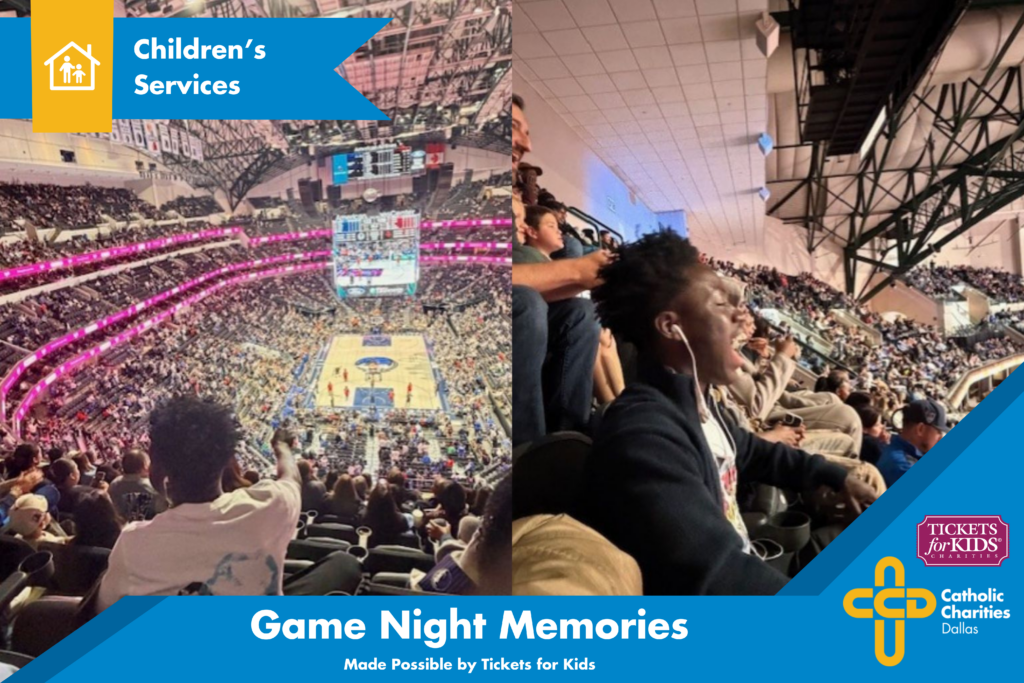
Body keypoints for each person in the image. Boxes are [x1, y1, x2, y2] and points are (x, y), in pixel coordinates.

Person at [584, 230, 877, 595]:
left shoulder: (700, 407)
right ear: (671, 327)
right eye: (722, 305)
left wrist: (834, 476)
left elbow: (753, 450)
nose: (743, 317)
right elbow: (716, 575)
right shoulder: (644, 436)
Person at [96, 397, 304, 607]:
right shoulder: (272, 506)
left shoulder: (133, 542)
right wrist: (281, 447)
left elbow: (103, 611)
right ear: (227, 461)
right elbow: (291, 479)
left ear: (157, 470)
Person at [877, 399, 947, 487]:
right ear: (920, 429)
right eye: (938, 432)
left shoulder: (894, 449)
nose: (941, 438)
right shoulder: (903, 467)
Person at [107, 449, 168, 522]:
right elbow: (163, 511)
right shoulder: (153, 487)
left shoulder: (114, 485)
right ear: (145, 467)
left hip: (121, 529)